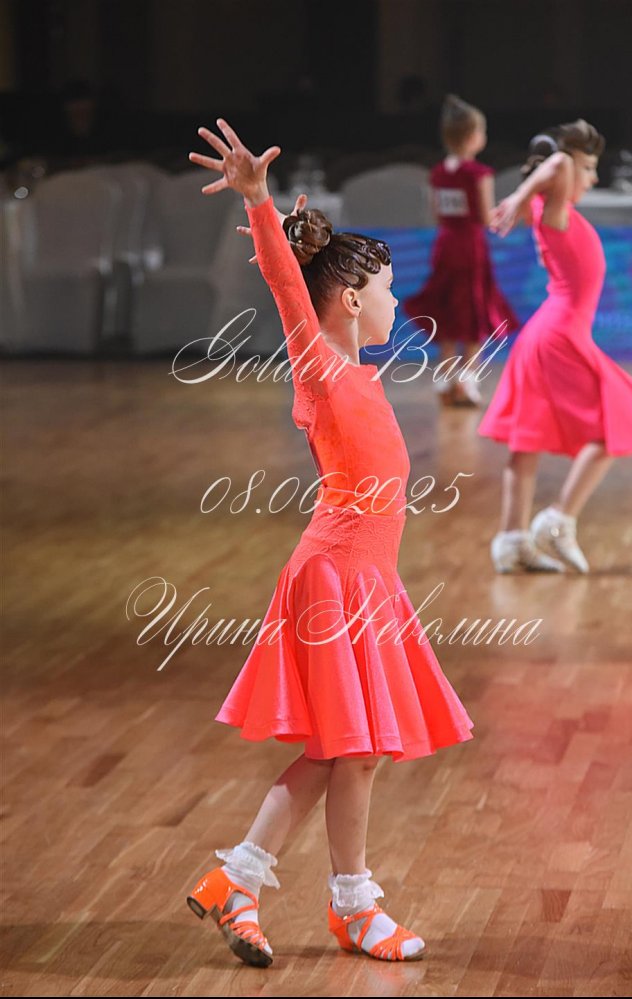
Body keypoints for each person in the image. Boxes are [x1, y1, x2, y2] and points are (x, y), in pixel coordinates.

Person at [184, 118, 475, 966]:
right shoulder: (318, 365)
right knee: (358, 749)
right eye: (387, 288)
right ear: (349, 298)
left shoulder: (359, 373)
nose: (396, 302)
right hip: (334, 578)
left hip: (365, 578)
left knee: (347, 750)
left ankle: (240, 879)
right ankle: (351, 904)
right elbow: (286, 284)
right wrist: (259, 201)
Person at [477, 119, 632, 573]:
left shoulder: (552, 208)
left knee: (528, 440)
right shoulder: (551, 208)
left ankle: (512, 540)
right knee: (621, 421)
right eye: (589, 167)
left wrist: (525, 194)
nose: (593, 178)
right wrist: (520, 195)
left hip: (552, 332)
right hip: (558, 335)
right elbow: (560, 161)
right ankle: (558, 521)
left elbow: (559, 163)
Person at [403, 94, 520, 406]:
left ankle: (444, 380)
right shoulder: (478, 173)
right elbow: (484, 217)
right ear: (472, 136)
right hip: (469, 247)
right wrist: (507, 212)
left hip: (445, 245)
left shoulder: (438, 172)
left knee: (446, 311)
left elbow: (437, 214)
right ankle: (467, 382)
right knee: (471, 312)